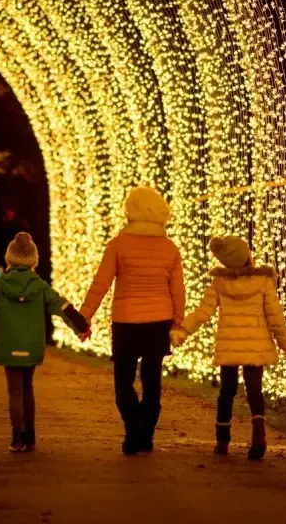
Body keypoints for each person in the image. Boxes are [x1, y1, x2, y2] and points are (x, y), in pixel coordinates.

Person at [79, 186, 185, 455]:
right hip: (158, 322)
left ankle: (132, 429)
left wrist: (84, 318)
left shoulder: (117, 245)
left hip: (125, 323)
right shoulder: (169, 248)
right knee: (152, 380)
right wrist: (177, 321)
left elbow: (100, 285)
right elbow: (178, 290)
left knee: (123, 380)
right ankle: (146, 434)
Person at [173, 236, 286, 460]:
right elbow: (275, 318)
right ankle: (259, 435)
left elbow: (203, 313)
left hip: (229, 347)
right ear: (247, 255)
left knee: (226, 392)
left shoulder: (219, 283)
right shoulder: (264, 282)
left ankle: (222, 440)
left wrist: (183, 331)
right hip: (256, 347)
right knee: (255, 391)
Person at [0, 232, 89, 452]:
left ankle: (17, 437)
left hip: (9, 343)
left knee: (14, 391)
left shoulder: (1, 284)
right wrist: (80, 327)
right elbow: (62, 306)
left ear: (10, 258)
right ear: (33, 259)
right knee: (27, 388)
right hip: (31, 344)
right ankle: (30, 436)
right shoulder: (39, 285)